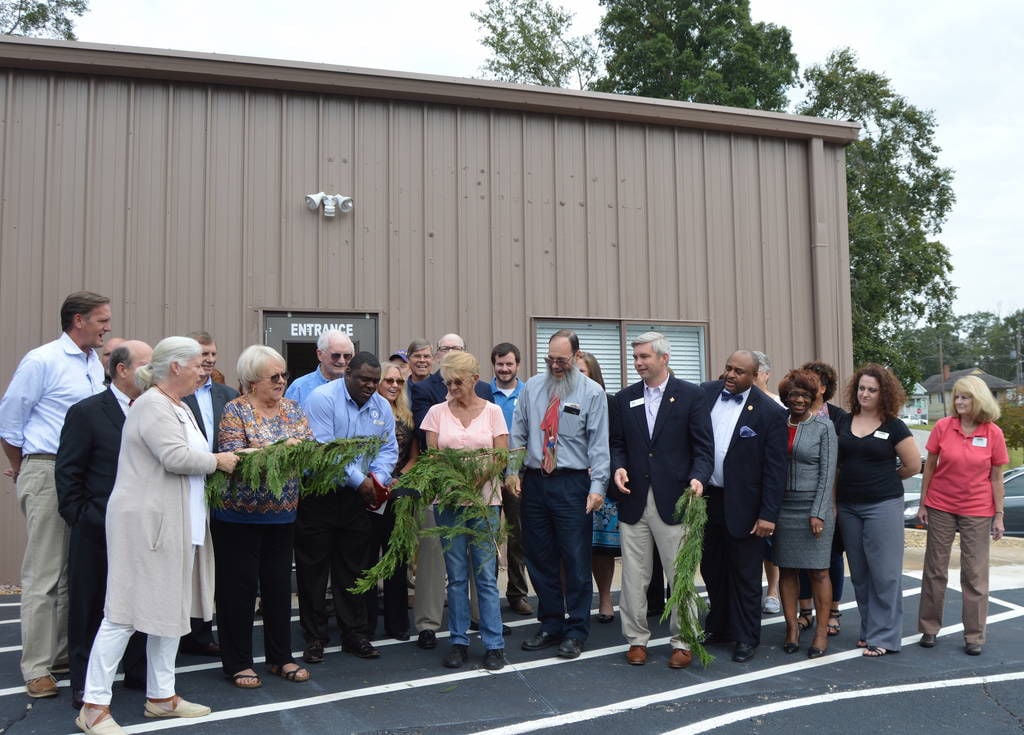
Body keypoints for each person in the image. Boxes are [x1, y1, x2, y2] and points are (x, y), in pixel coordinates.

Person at [75, 336, 240, 735]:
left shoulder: (176, 406)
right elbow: (177, 458)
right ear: (176, 367)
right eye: (199, 362)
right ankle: (93, 706)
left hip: (179, 522)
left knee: (170, 610)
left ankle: (161, 697)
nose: (205, 368)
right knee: (123, 614)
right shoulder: (151, 405)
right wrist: (219, 461)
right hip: (146, 523)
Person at [0, 291, 111, 699]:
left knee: (72, 571)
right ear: (78, 320)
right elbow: (9, 422)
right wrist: (27, 463)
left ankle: (61, 654)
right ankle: (36, 667)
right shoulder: (42, 360)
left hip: (79, 473)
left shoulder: (91, 365)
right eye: (101, 320)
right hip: (47, 467)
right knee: (44, 574)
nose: (107, 327)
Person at [56, 341, 152, 710]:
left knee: (141, 603)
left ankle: (138, 672)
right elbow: (68, 472)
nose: (152, 373)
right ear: (121, 369)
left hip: (144, 527)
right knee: (90, 605)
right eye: (146, 365)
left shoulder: (153, 409)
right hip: (97, 527)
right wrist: (81, 517)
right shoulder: (87, 412)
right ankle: (84, 684)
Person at [609, 332, 713, 669]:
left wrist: (699, 476)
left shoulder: (691, 396)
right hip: (634, 498)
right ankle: (636, 640)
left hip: (676, 499)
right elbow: (617, 444)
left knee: (679, 574)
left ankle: (683, 640)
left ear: (663, 358)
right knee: (634, 576)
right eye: (636, 357)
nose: (638, 363)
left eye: (644, 357)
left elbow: (703, 448)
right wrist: (618, 467)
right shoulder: (624, 398)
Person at [213, 345, 314, 689]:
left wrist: (294, 450)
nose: (282, 381)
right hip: (238, 517)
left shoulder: (292, 408)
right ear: (253, 381)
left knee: (277, 588)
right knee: (238, 591)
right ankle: (238, 662)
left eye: (284, 374)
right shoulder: (235, 411)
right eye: (275, 376)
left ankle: (280, 656)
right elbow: (232, 458)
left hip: (282, 515)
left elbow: (308, 448)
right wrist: (278, 450)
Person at [509, 329, 609, 660]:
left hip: (572, 483)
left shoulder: (592, 393)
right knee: (540, 557)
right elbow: (518, 432)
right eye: (550, 359)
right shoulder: (532, 388)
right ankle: (551, 623)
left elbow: (599, 446)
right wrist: (512, 470)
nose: (555, 365)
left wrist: (598, 488)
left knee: (576, 559)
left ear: (575, 357)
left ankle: (577, 630)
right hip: (536, 481)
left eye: (561, 360)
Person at [298, 352, 399, 663]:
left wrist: (377, 479)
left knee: (353, 568)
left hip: (359, 499)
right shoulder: (322, 399)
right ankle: (315, 637)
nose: (370, 386)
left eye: (374, 380)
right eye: (363, 379)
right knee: (314, 569)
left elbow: (388, 449)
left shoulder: (382, 406)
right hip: (321, 493)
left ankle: (354, 634)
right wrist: (361, 482)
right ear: (347, 374)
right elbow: (325, 450)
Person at [421, 351, 509, 670]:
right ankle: (458, 640)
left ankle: (494, 643)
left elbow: (500, 457)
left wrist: (475, 481)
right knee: (455, 577)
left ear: (474, 379)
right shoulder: (435, 413)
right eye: (447, 382)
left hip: (485, 504)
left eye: (458, 381)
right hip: (448, 504)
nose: (452, 388)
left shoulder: (494, 412)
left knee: (485, 576)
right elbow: (432, 459)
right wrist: (456, 483)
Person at [700, 350, 787, 663]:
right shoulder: (706, 394)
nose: (730, 375)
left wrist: (768, 515)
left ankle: (746, 636)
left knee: (746, 575)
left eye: (738, 371)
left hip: (747, 507)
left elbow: (776, 470)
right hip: (708, 499)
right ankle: (718, 625)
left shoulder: (771, 413)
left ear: (755, 376)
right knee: (712, 568)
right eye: (728, 368)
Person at [917, 375, 1008, 656]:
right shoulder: (944, 427)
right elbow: (929, 468)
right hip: (941, 505)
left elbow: (996, 479)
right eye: (956, 397)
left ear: (978, 399)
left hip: (978, 510)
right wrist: (923, 504)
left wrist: (999, 515)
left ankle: (974, 636)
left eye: (965, 397)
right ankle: (929, 628)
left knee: (975, 575)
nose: (958, 402)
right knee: (935, 569)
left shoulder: (993, 433)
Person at [408, 333, 489, 650]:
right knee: (433, 555)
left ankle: (480, 616)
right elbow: (424, 431)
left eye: (457, 349)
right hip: (439, 487)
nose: (451, 353)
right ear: (438, 354)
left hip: (479, 489)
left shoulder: (483, 391)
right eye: (446, 349)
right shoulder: (425, 389)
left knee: (478, 559)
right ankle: (428, 623)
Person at [834, 363, 919, 657]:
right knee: (860, 572)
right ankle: (870, 630)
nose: (865, 393)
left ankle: (885, 637)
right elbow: (836, 463)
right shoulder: (843, 422)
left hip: (883, 505)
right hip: (848, 507)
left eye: (872, 389)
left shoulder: (893, 425)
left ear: (883, 393)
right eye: (861, 388)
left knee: (885, 573)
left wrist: (885, 479)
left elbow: (912, 465)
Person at [180, 331, 239, 657]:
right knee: (187, 564)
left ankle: (203, 634)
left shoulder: (226, 394)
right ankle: (180, 631)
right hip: (187, 487)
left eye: (213, 353)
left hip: (222, 492)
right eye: (203, 352)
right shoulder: (174, 395)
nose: (210, 358)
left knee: (213, 567)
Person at [772, 369, 837, 659]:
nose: (798, 399)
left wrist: (818, 512)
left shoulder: (824, 427)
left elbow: (827, 474)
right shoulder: (776, 424)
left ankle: (821, 632)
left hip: (813, 506)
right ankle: (792, 629)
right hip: (782, 507)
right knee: (786, 569)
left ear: (813, 398)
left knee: (819, 571)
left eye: (804, 395)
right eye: (793, 394)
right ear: (785, 397)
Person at [366, 362, 419, 641]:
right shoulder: (368, 412)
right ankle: (365, 623)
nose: (394, 385)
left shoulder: (408, 416)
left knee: (396, 558)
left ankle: (397, 623)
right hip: (368, 491)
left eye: (399, 382)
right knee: (367, 557)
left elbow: (414, 456)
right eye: (388, 380)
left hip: (398, 493)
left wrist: (400, 478)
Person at [797, 360, 848, 637]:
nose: (805, 389)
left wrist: (833, 502)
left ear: (824, 388)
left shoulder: (839, 418)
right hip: (797, 500)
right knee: (800, 557)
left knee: (830, 557)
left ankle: (833, 611)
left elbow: (839, 463)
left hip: (831, 500)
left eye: (812, 383)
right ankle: (805, 612)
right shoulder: (792, 415)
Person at [485, 342, 532, 616]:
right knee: (489, 536)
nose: (504, 369)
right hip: (487, 474)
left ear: (517, 365)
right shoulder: (483, 392)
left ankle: (517, 593)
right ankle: (488, 592)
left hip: (518, 476)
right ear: (494, 364)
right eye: (500, 364)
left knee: (517, 536)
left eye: (509, 364)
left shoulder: (528, 394)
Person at [576, 350, 617, 623]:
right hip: (571, 482)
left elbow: (618, 442)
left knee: (602, 547)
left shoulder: (610, 402)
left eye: (582, 372)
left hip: (601, 483)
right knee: (572, 546)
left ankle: (604, 598)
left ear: (593, 375)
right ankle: (573, 600)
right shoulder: (557, 400)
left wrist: (602, 466)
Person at [752, 350, 783, 616]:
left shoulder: (778, 404)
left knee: (770, 544)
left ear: (766, 375)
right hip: (745, 484)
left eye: (756, 373)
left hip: (770, 481)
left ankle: (772, 590)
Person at [284, 329, 354, 408]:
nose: (342, 361)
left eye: (347, 356)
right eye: (336, 355)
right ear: (320, 354)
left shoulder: (356, 386)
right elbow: (287, 419)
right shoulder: (299, 388)